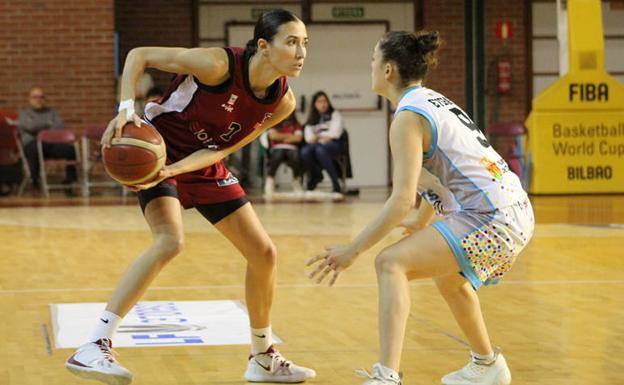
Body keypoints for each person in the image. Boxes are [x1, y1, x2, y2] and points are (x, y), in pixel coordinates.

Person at [65, 9, 315, 385]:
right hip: (158, 147)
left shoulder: (283, 103)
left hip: (198, 161)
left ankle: (262, 356)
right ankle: (94, 344)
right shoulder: (216, 65)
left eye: (305, 44)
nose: (301, 53)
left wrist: (178, 172)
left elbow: (220, 152)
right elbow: (138, 54)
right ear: (263, 46)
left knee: (264, 254)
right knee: (170, 241)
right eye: (292, 42)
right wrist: (125, 111)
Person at [307, 31, 534, 385]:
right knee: (451, 279)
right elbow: (436, 176)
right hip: (514, 208)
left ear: (388, 70)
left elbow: (400, 199)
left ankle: (387, 376)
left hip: (493, 219)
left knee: (389, 262)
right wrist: (422, 221)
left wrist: (353, 250)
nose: (370, 65)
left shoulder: (407, 118)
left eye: (373, 58)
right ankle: (487, 365)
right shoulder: (431, 101)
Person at [18, 87, 77, 190]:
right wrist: (47, 124)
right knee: (33, 147)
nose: (38, 99)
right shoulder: (24, 114)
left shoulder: (52, 113)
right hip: (32, 145)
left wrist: (39, 129)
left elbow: (59, 126)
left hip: (50, 145)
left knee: (70, 150)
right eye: (35, 97)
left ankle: (69, 181)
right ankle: (35, 181)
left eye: (41, 97)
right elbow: (29, 126)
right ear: (30, 99)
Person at [301, 91, 344, 193]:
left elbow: (336, 133)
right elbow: (308, 138)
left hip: (334, 144)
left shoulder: (334, 114)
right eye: (320, 101)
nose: (323, 104)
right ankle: (317, 175)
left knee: (320, 150)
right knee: (304, 152)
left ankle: (335, 183)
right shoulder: (311, 119)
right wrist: (321, 137)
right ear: (315, 104)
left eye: (325, 101)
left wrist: (319, 137)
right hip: (316, 144)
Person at [264, 111, 303, 196]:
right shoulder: (274, 122)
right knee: (277, 155)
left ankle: (296, 180)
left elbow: (298, 138)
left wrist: (280, 136)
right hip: (277, 148)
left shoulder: (297, 124)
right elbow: (273, 136)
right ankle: (270, 180)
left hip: (292, 149)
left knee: (295, 157)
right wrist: (289, 136)